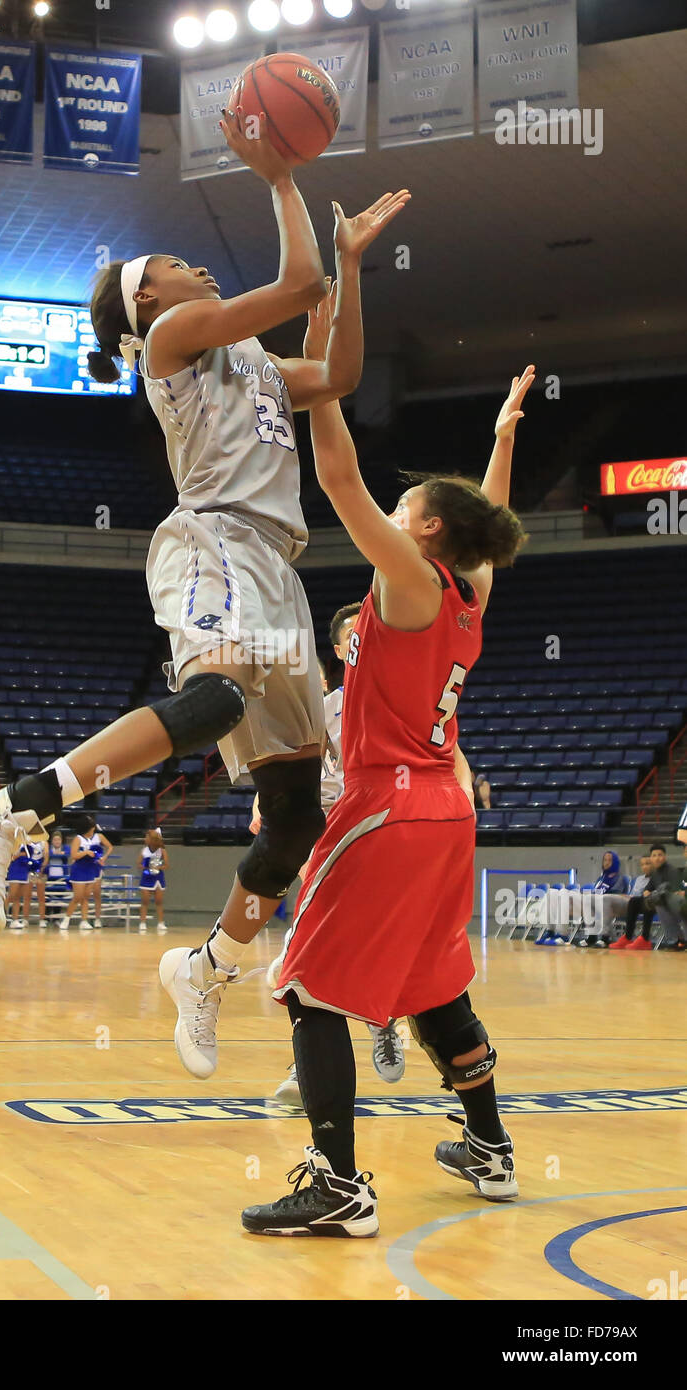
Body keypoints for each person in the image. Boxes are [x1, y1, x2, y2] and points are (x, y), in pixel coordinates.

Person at [0, 111, 410, 1083]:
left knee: (293, 818)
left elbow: (342, 373)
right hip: (214, 539)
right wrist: (280, 179)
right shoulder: (175, 336)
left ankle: (205, 966)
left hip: (274, 568)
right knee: (216, 697)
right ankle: (2, 815)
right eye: (177, 260)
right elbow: (295, 285)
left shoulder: (254, 364)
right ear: (144, 295)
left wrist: (351, 268)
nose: (196, 266)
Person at [241, 317, 532, 1235]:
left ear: (428, 531)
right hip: (447, 807)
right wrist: (503, 435)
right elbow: (486, 522)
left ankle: (337, 1185)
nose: (395, 513)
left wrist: (324, 383)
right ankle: (489, 1149)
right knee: (436, 985)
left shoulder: (408, 580)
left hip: (389, 804)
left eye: (410, 509)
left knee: (308, 988)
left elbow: (336, 480)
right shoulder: (467, 590)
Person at [264, 600, 406, 1107]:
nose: (361, 639)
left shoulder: (403, 698)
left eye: (368, 631)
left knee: (389, 945)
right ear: (341, 648)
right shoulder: (325, 710)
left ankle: (386, 1020)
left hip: (391, 832)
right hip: (333, 836)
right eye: (352, 634)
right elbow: (294, 774)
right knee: (314, 949)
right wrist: (269, 805)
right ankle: (307, 1065)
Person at [571, 850, 629, 948]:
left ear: (615, 862)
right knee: (588, 900)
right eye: (605, 860)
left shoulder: (620, 878)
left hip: (615, 906)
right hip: (600, 904)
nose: (606, 862)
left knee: (603, 901)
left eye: (609, 860)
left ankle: (605, 938)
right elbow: (596, 893)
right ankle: (591, 937)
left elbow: (615, 894)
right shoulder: (601, 878)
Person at [58, 820, 104, 931]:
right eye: (92, 828)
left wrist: (98, 857)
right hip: (79, 870)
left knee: (86, 897)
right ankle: (66, 919)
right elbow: (74, 855)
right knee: (78, 897)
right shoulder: (78, 839)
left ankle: (84, 921)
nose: (93, 830)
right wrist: (86, 852)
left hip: (90, 870)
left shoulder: (92, 840)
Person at [644, 843, 686, 950]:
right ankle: (676, 940)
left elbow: (677, 891)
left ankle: (680, 939)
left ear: (665, 856)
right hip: (673, 904)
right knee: (659, 904)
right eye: (654, 855)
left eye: (660, 855)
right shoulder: (654, 873)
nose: (657, 858)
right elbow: (648, 888)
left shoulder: (672, 870)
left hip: (680, 904)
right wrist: (647, 892)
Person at [609, 855, 654, 950]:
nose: (645, 866)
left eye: (648, 864)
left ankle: (643, 939)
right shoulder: (639, 879)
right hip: (634, 902)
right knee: (619, 902)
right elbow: (633, 894)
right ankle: (626, 937)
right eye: (642, 864)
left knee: (640, 901)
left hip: (649, 904)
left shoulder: (656, 878)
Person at [139, 828, 168, 934]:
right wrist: (146, 868)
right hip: (146, 878)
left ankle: (161, 922)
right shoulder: (144, 851)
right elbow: (139, 864)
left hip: (158, 878)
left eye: (147, 837)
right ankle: (142, 922)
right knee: (145, 901)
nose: (145, 839)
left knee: (159, 901)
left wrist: (158, 868)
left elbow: (167, 865)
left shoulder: (162, 851)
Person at [85, 824, 113, 928]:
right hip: (85, 866)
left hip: (96, 867)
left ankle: (97, 919)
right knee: (85, 895)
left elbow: (110, 847)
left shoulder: (99, 836)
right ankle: (85, 919)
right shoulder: (81, 837)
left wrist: (104, 858)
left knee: (97, 894)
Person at [5, 841, 32, 931]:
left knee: (18, 897)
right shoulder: (11, 843)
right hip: (14, 870)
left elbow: (30, 856)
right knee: (11, 895)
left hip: (24, 871)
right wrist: (20, 854)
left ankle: (15, 920)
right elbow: (10, 858)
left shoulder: (27, 845)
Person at [45, 829, 70, 924]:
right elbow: (47, 854)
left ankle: (56, 918)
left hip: (61, 877)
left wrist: (59, 854)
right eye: (55, 840)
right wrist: (57, 854)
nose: (57, 842)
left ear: (61, 841)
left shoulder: (65, 847)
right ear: (52, 841)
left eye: (58, 840)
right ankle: (47, 918)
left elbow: (68, 853)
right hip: (50, 877)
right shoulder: (48, 848)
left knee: (59, 898)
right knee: (48, 898)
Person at [24, 839, 49, 928]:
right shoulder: (27, 842)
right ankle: (25, 919)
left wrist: (41, 869)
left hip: (41, 870)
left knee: (41, 896)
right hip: (29, 869)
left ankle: (42, 919)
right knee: (27, 896)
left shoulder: (44, 843)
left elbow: (46, 857)